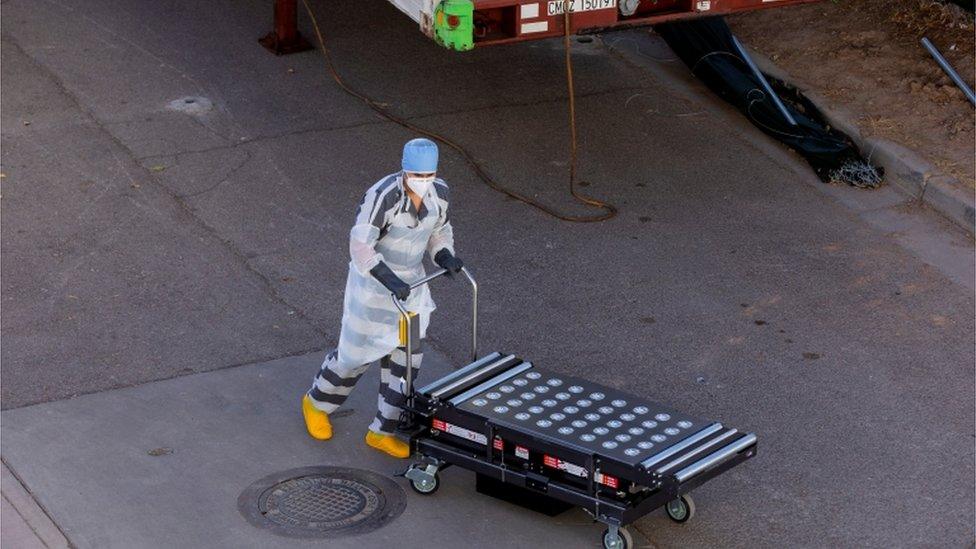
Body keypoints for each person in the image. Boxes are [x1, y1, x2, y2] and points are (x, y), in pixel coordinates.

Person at [302, 138, 463, 458]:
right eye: (418, 175)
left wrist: (444, 255)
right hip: (373, 289)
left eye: (428, 175)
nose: (423, 182)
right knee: (354, 356)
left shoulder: (440, 192)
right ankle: (316, 404)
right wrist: (386, 277)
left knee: (407, 361)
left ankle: (382, 431)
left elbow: (439, 230)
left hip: (412, 289)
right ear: (405, 171)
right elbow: (361, 244)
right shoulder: (383, 196)